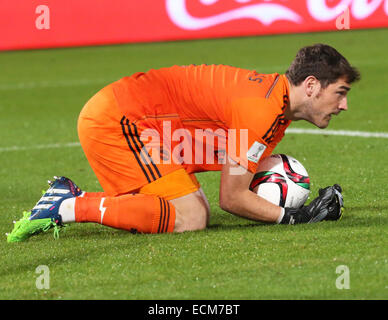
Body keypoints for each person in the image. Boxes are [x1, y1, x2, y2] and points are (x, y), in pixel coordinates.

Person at [7, 43, 360, 243]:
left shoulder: (272, 105)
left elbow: (228, 159)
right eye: (340, 93)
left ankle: (78, 200)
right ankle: (68, 204)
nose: (343, 105)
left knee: (190, 212)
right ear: (311, 86)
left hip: (147, 127)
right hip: (120, 120)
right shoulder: (261, 110)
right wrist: (295, 217)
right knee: (190, 217)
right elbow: (232, 197)